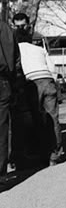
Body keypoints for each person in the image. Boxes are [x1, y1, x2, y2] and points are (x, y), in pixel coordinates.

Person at [14, 19, 62, 167]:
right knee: (52, 117)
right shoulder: (40, 49)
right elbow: (53, 68)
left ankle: (36, 153)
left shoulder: (15, 50)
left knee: (35, 119)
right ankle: (55, 154)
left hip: (30, 82)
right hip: (47, 79)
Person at [0, 20, 22, 181]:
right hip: (3, 80)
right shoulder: (4, 27)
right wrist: (14, 84)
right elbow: (14, 58)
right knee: (1, 128)